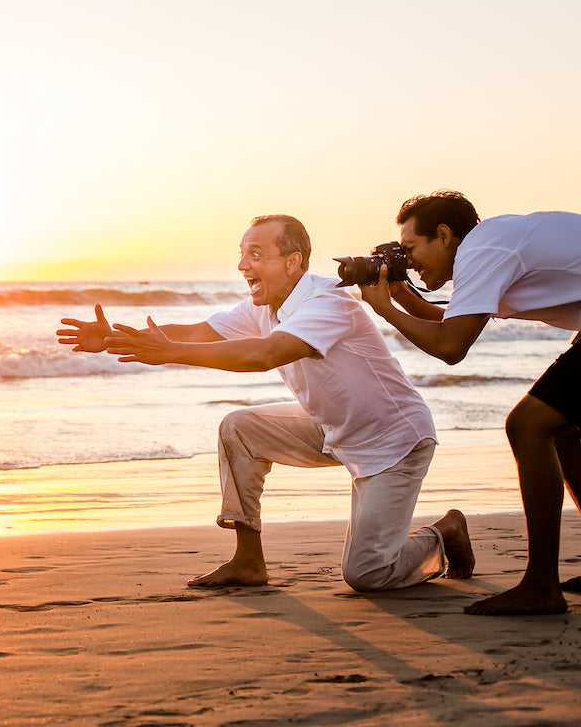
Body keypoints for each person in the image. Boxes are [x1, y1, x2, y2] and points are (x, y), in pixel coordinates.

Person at [58, 215, 474, 592]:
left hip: (392, 442)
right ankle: (247, 562)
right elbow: (198, 332)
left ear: (293, 262)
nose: (243, 266)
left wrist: (169, 353)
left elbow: (263, 355)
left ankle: (444, 532)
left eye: (255, 254)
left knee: (367, 573)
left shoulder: (328, 302)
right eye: (242, 255)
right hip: (333, 429)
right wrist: (113, 337)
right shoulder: (264, 305)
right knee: (240, 427)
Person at [359, 190, 581, 615]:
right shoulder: (489, 246)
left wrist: (386, 309)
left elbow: (452, 346)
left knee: (529, 425)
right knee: (562, 430)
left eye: (410, 249)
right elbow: (454, 321)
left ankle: (541, 586)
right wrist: (403, 299)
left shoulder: (482, 249)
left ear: (443, 235)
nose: (409, 262)